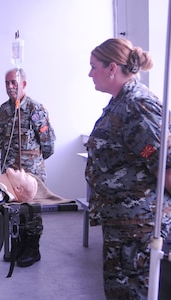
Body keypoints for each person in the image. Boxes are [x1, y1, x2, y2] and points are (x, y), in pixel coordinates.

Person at [86, 38, 171, 299]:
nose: (90, 73)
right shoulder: (120, 102)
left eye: (93, 66)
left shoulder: (137, 106)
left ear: (112, 68)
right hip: (122, 228)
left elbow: (166, 169)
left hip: (139, 233)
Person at [0, 68, 56, 268]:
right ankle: (19, 245)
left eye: (14, 82)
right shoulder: (4, 110)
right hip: (10, 172)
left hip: (31, 171)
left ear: (24, 84)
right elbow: (1, 141)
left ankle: (33, 248)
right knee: (14, 209)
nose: (10, 86)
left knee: (31, 211)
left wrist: (34, 162)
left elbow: (48, 144)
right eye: (7, 83)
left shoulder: (35, 109)